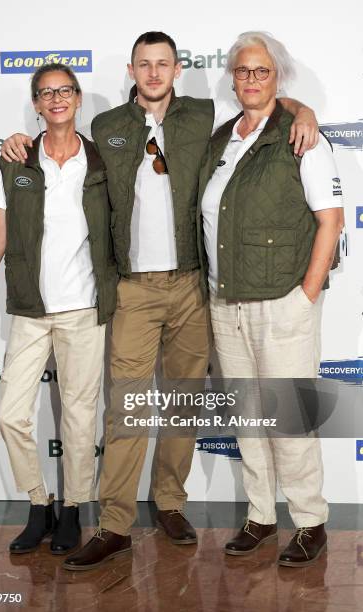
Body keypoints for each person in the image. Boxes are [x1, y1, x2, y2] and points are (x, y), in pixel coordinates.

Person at [0, 31, 319, 571]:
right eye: (144, 64)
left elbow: (262, 100)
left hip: (193, 284)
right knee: (126, 408)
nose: (153, 73)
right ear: (131, 70)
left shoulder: (201, 115)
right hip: (132, 289)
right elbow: (61, 149)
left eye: (163, 64)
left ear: (177, 69)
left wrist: (303, 107)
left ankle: (170, 502)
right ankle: (115, 523)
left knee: (180, 402)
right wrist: (20, 142)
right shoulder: (106, 128)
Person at [199, 31, 344, 567]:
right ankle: (260, 515)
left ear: (276, 77)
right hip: (226, 300)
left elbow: (330, 221)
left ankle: (309, 521)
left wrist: (305, 296)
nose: (251, 80)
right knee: (248, 417)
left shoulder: (301, 135)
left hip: (282, 299)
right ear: (232, 77)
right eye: (242, 71)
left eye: (261, 71)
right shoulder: (221, 139)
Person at [0, 64, 117, 556]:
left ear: (77, 98)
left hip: (83, 310)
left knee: (78, 417)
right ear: (36, 104)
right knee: (10, 415)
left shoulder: (100, 161)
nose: (55, 99)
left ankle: (72, 509)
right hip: (30, 309)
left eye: (63, 91)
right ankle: (38, 504)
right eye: (45, 93)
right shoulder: (14, 160)